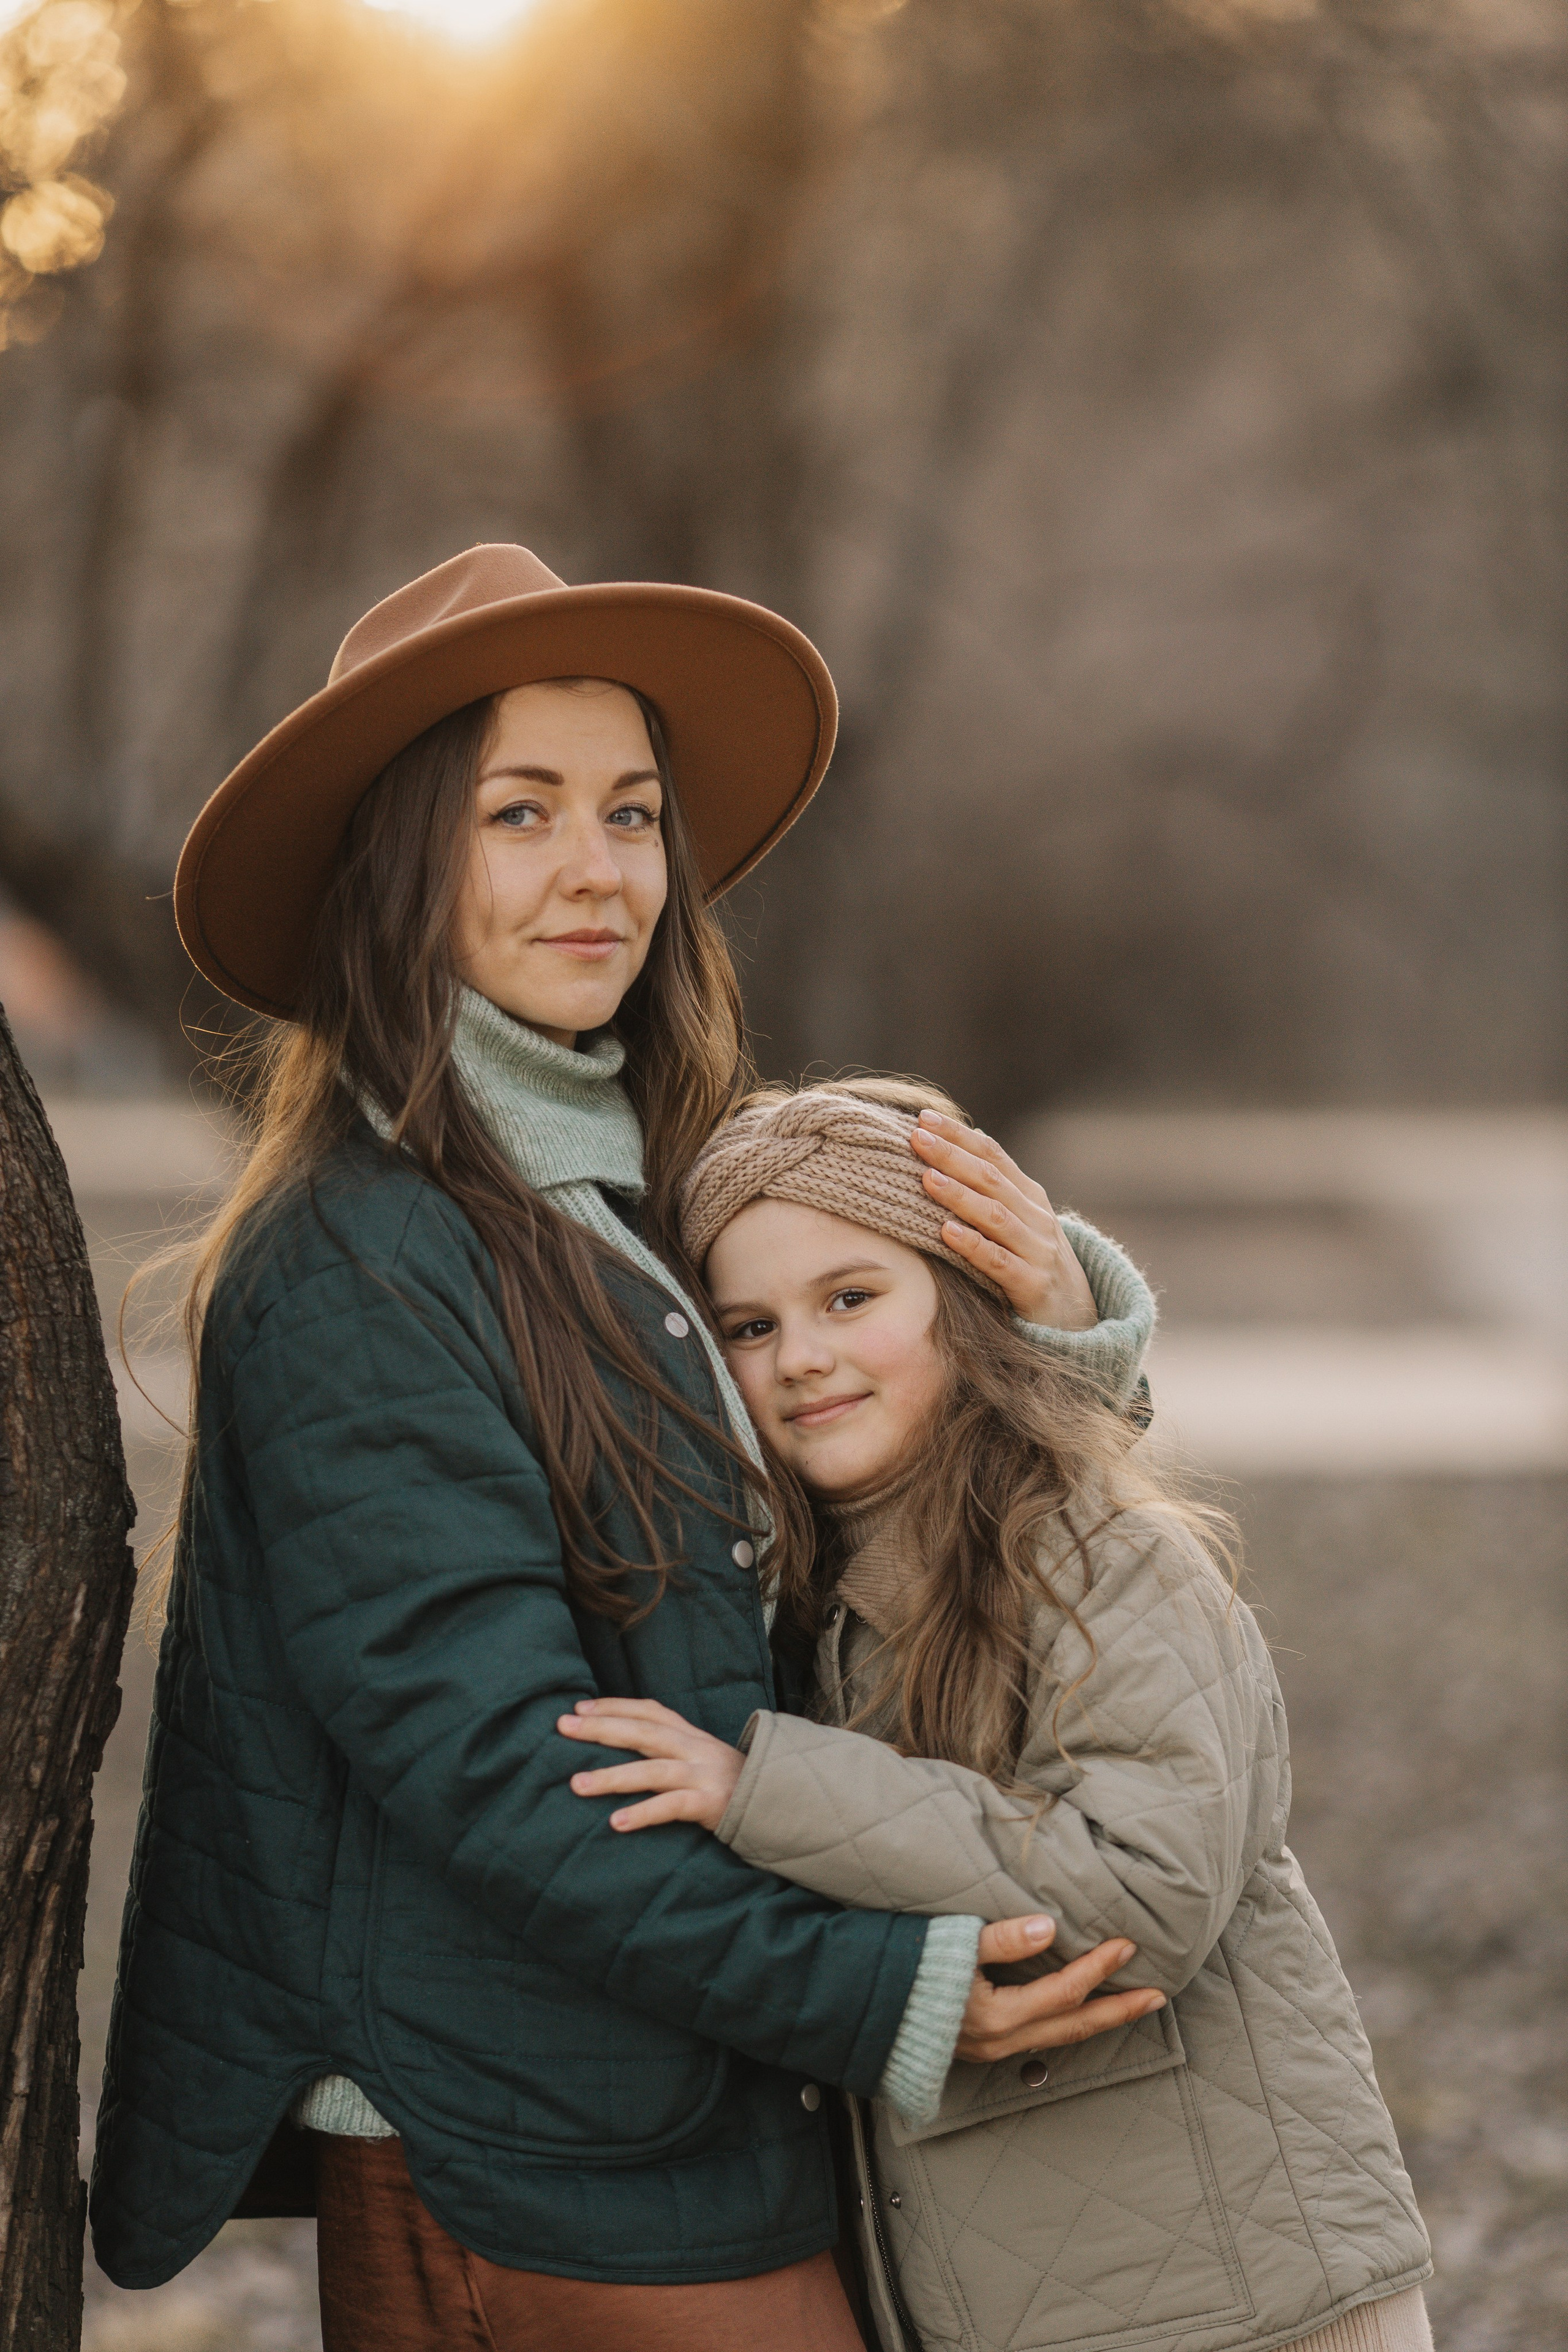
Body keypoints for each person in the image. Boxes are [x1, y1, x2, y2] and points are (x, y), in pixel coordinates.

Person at [90, 545, 1167, 2351]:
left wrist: (1056, 1329)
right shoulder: (360, 1258)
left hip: (692, 2082)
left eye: (632, 812)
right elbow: (503, 1765)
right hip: (516, 2123)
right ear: (398, 863)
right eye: (520, 814)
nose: (600, 871)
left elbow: (892, 1507)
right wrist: (877, 1989)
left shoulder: (647, 1195)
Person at [557, 1077, 1437, 2352]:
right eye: (747, 1326)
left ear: (958, 1303)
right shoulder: (795, 1599)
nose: (800, 1356)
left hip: (1251, 2305)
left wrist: (765, 1790)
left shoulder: (1096, 1550)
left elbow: (1136, 1898)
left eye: (850, 1298)